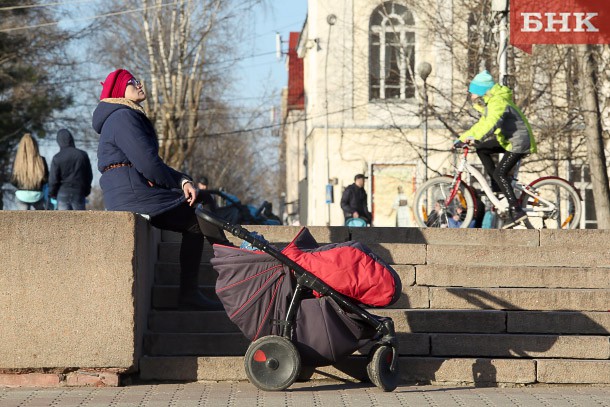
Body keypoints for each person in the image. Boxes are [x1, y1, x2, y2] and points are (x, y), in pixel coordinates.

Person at [92, 68, 229, 310]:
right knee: (196, 218)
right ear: (118, 91)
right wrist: (179, 187)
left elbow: (149, 163)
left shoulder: (120, 116)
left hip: (131, 191)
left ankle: (228, 264)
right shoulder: (123, 116)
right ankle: (228, 272)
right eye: (132, 82)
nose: (140, 84)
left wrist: (183, 181)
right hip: (134, 194)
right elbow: (147, 164)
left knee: (200, 203)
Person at [456, 70, 537, 229]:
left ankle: (516, 211)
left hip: (518, 142)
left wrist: (476, 137)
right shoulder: (489, 103)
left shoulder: (497, 102)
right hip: (509, 141)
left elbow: (491, 124)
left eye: (472, 93)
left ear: (480, 92)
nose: (471, 97)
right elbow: (480, 125)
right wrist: (462, 138)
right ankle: (499, 188)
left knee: (500, 172)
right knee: (482, 149)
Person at [48, 129, 93, 210]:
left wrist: (52, 193)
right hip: (79, 192)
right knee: (80, 220)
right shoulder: (82, 155)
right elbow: (88, 175)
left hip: (62, 192)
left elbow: (53, 179)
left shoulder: (57, 157)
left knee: (64, 221)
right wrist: (86, 190)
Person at [10, 133, 49, 210]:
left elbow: (12, 180)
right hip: (37, 195)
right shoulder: (41, 160)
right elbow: (46, 179)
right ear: (35, 146)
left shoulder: (17, 161)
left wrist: (21, 185)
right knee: (41, 217)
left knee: (23, 219)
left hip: (21, 195)